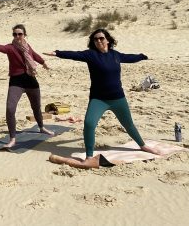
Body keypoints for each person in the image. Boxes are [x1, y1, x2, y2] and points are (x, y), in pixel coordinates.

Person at [44, 28, 161, 168]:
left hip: (118, 98)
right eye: (95, 39)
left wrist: (143, 56)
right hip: (98, 99)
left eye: (101, 38)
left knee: (128, 124)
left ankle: (142, 146)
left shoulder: (116, 55)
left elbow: (130, 57)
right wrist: (57, 53)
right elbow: (74, 54)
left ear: (108, 40)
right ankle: (89, 156)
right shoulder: (91, 55)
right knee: (89, 123)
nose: (99, 41)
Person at [0, 24, 53, 148]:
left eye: (20, 34)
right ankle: (12, 138)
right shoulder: (11, 47)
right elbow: (1, 48)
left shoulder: (27, 46)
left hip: (31, 80)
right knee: (10, 108)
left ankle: (41, 127)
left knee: (36, 106)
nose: (17, 36)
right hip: (16, 82)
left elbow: (34, 55)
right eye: (15, 34)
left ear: (24, 35)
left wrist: (43, 62)